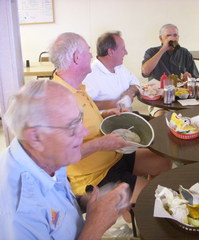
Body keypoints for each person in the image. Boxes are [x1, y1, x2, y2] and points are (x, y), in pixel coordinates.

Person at [50, 32, 172, 205]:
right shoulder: (58, 99)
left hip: (112, 156)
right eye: (88, 51)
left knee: (163, 161)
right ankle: (137, 205)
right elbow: (60, 157)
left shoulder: (78, 86)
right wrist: (102, 143)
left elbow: (84, 120)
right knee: (154, 199)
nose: (92, 55)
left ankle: (132, 207)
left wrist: (105, 114)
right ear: (77, 58)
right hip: (94, 176)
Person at [0, 79, 131, 239]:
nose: (83, 133)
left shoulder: (45, 153)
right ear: (35, 136)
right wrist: (96, 226)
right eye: (71, 126)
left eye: (79, 119)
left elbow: (54, 199)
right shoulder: (19, 214)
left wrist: (86, 202)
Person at [83, 31, 140, 111]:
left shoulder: (120, 67)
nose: (126, 53)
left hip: (126, 117)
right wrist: (116, 103)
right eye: (123, 49)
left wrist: (129, 93)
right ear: (110, 52)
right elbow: (84, 104)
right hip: (106, 121)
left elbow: (136, 83)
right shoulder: (91, 74)